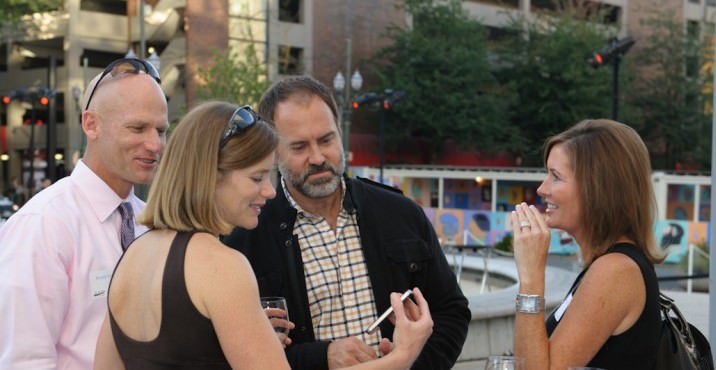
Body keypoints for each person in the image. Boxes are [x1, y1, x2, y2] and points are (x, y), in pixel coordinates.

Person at [93, 101, 434, 370]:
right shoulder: (223, 266)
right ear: (209, 177)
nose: (270, 192)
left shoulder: (133, 253)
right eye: (257, 178)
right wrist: (402, 356)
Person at [222, 76, 470, 370]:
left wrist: (409, 365)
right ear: (273, 153)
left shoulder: (400, 213)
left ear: (340, 134)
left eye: (326, 140)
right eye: (300, 147)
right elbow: (236, 354)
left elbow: (452, 311)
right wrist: (321, 357)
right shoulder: (245, 238)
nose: (318, 157)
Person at [0, 57, 168, 369]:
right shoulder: (43, 225)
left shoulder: (152, 223)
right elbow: (25, 361)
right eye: (138, 127)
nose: (155, 143)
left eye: (161, 129)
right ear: (91, 124)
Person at [511, 119, 663, 369]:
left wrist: (531, 277)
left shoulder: (615, 271)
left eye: (555, 177)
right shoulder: (609, 265)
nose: (542, 189)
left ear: (597, 189)